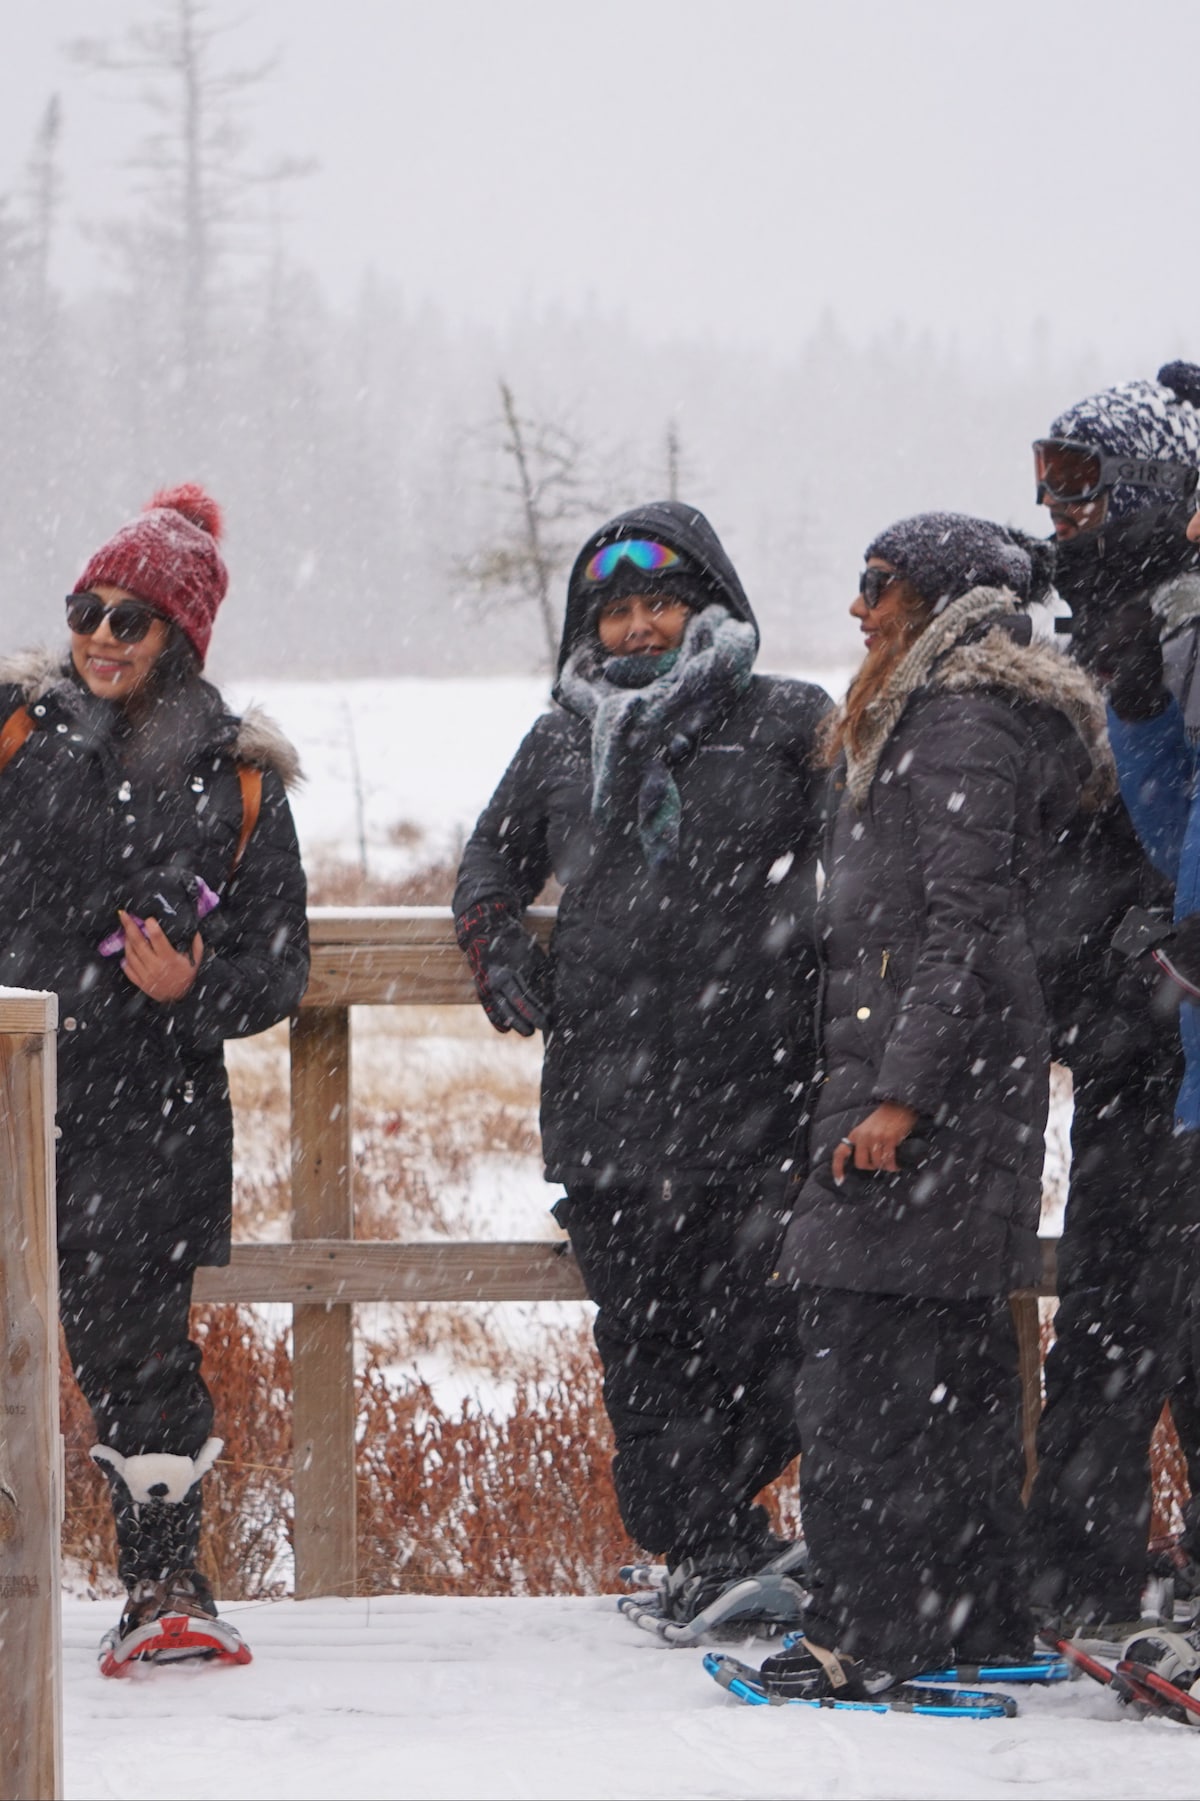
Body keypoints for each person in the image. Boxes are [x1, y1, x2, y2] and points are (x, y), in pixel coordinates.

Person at [749, 514, 1112, 1701]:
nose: (860, 607)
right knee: (948, 1365)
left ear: (943, 599)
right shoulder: (952, 712)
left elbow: (965, 928)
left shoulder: (956, 719)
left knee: (862, 1377)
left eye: (880, 584)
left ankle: (872, 1632)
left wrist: (899, 1096)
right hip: (958, 1091)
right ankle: (972, 1610)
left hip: (926, 1102)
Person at [453, 500, 830, 1635]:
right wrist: (497, 946)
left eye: (659, 601)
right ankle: (705, 1544)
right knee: (651, 1344)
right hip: (610, 1109)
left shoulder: (788, 720)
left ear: (711, 604)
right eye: (614, 610)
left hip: (761, 1097)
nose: (636, 628)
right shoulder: (560, 738)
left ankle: (722, 1526)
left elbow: (860, 863)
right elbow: (489, 861)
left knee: (773, 1333)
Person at [0, 485, 309, 1668]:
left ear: (179, 635)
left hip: (149, 1119)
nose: (99, 636)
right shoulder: (16, 730)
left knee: (142, 1363)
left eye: (128, 618)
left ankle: (166, 1586)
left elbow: (280, 965)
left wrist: (195, 986)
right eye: (85, 609)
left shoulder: (238, 779)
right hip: (13, 1095)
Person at [1025, 363, 1200, 1633]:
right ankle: (1081, 1573)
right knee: (1107, 1314)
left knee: (1168, 1317)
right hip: (1123, 1036)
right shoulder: (1082, 632)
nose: (1060, 507)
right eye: (1047, 481)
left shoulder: (1177, 618)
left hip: (1174, 1019)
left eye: (1081, 480)